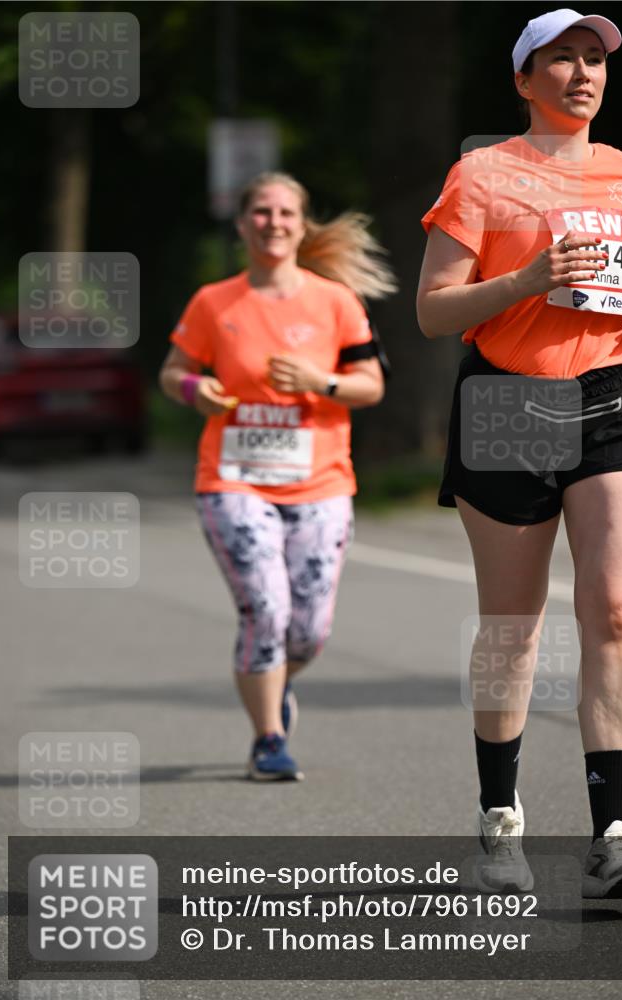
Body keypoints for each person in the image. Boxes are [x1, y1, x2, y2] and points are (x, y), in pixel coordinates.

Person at [417, 9, 622, 898]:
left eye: (594, 58)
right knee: (512, 630)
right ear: (523, 80)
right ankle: (499, 818)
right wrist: (526, 280)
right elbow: (433, 310)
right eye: (561, 58)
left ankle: (615, 837)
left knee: (615, 611)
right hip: (508, 403)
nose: (582, 72)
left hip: (616, 401)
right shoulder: (482, 174)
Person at [159, 172, 395, 781]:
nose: (273, 222)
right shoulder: (214, 302)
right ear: (242, 224)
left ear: (302, 224)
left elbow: (371, 386)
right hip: (233, 480)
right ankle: (269, 738)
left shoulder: (335, 302)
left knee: (308, 630)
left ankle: (273, 687)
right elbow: (172, 371)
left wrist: (321, 383)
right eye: (260, 212)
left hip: (321, 483)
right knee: (265, 609)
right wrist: (195, 389)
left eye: (286, 212)